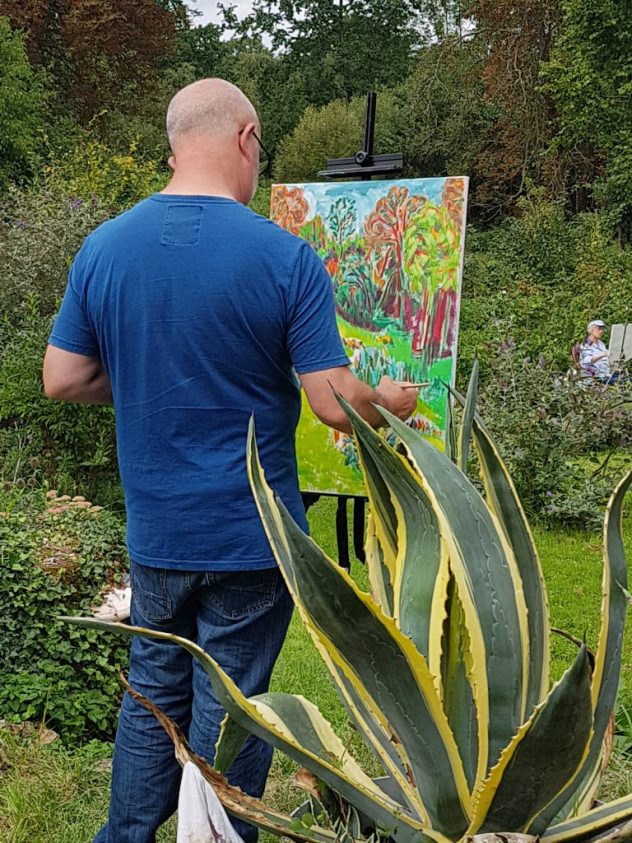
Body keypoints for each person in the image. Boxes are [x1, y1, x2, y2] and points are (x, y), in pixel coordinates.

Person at [42, 78, 418, 843]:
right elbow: (333, 401)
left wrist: (153, 369)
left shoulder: (105, 246)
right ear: (245, 137)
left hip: (158, 531)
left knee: (153, 691)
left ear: (176, 142)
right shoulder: (284, 257)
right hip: (254, 538)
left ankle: (125, 836)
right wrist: (395, 400)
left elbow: (64, 377)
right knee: (233, 703)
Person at [579, 319, 619, 385]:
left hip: (606, 374)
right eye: (599, 328)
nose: (601, 331)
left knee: (627, 378)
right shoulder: (586, 344)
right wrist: (603, 355)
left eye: (603, 329)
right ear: (591, 330)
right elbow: (587, 360)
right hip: (594, 376)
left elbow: (609, 357)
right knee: (621, 382)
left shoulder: (601, 343)